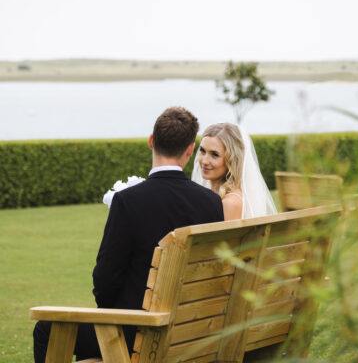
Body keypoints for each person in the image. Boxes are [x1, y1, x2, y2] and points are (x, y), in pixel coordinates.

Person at [33, 107, 224, 362]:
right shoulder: (211, 202)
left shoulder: (128, 201)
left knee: (46, 327)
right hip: (191, 331)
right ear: (190, 150)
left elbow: (105, 279)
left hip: (136, 333)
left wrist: (111, 318)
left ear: (151, 141)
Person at [192, 123, 277, 220]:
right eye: (202, 151)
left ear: (232, 160)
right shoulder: (215, 196)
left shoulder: (230, 203)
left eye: (214, 155)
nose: (204, 161)